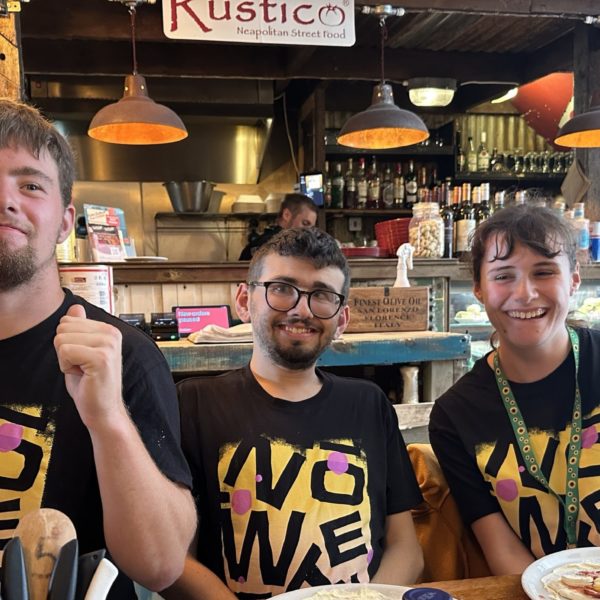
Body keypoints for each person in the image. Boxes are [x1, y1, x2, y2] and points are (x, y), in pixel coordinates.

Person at [0, 99, 196, 598]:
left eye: (29, 185)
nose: (6, 200)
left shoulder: (123, 355)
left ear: (66, 223)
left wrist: (107, 417)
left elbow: (161, 564)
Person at [167, 227, 424, 598]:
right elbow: (176, 559)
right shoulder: (193, 403)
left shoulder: (368, 404)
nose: (301, 309)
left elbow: (407, 549)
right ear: (244, 301)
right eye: (282, 289)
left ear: (342, 319)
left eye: (322, 295)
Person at [429, 204, 600, 576]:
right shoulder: (454, 415)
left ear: (573, 280)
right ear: (478, 288)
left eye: (544, 272)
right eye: (504, 276)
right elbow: (500, 546)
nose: (525, 293)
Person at [238, 193, 318, 260]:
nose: (309, 231)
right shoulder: (272, 245)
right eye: (305, 223)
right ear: (286, 215)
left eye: (311, 227)